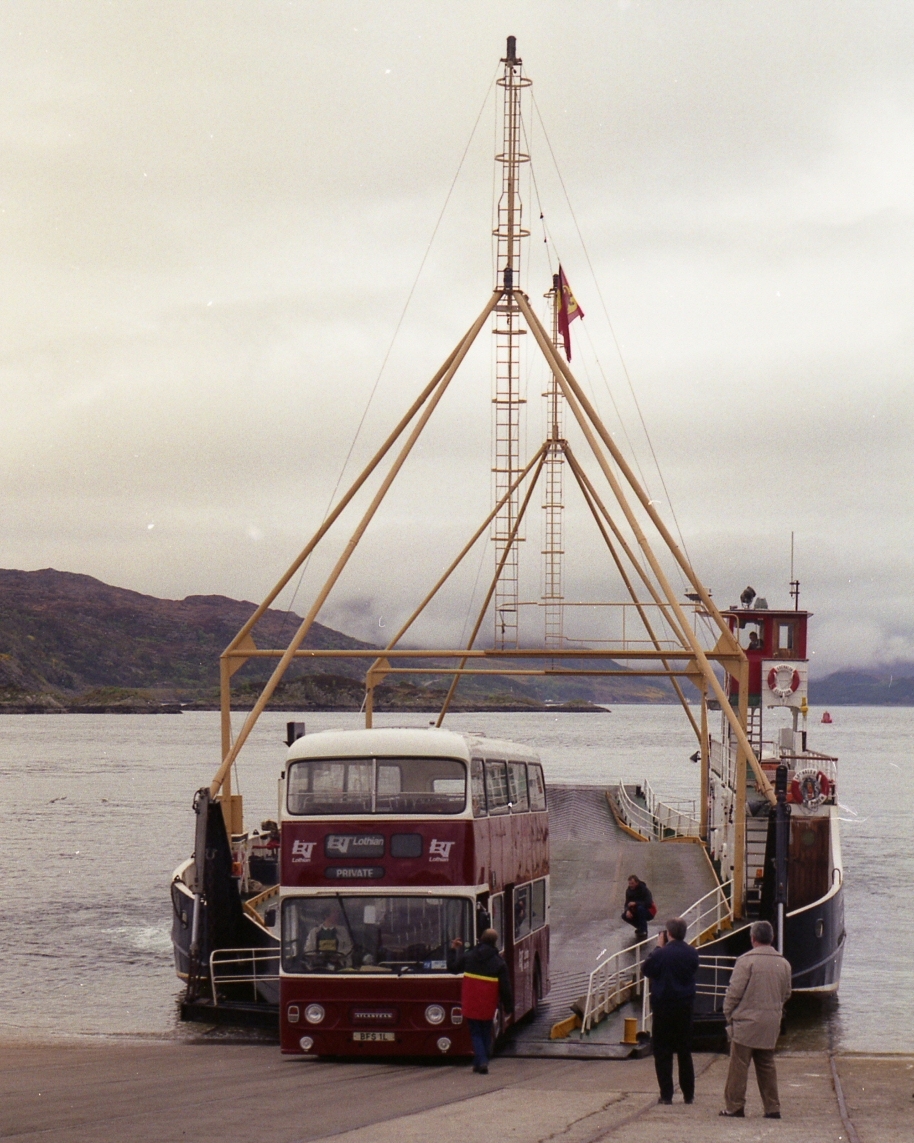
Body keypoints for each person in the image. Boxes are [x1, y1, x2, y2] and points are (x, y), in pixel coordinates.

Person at [720, 920, 792, 1120]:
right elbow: (786, 993)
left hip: (746, 1022)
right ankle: (772, 1107)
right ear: (772, 938)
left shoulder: (746, 961)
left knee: (739, 1065)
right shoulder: (783, 963)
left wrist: (728, 1013)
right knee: (767, 1064)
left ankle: (735, 1106)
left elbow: (734, 992)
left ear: (753, 938)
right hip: (771, 1022)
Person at [642, 917, 700, 1105]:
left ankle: (666, 1094)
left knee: (663, 1051)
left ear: (669, 934)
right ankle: (688, 1094)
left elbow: (647, 969)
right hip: (685, 1006)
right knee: (684, 1051)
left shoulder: (661, 954)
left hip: (663, 1006)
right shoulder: (692, 953)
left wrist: (659, 947)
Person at [448, 929, 514, 1074]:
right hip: (488, 1003)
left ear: (481, 939)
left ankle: (482, 1061)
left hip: (471, 1001)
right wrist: (509, 1007)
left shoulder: (469, 956)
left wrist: (453, 949)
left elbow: (452, 968)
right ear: (494, 942)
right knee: (485, 1032)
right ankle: (480, 1062)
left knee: (475, 1033)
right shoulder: (499, 962)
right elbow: (505, 987)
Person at [622, 874, 654, 940]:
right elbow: (626, 903)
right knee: (624, 915)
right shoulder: (628, 891)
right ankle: (640, 927)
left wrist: (636, 903)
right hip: (636, 910)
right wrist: (627, 910)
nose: (631, 885)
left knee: (640, 908)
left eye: (632, 883)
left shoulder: (644, 890)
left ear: (637, 882)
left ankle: (644, 930)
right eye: (630, 883)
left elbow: (649, 903)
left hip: (649, 911)